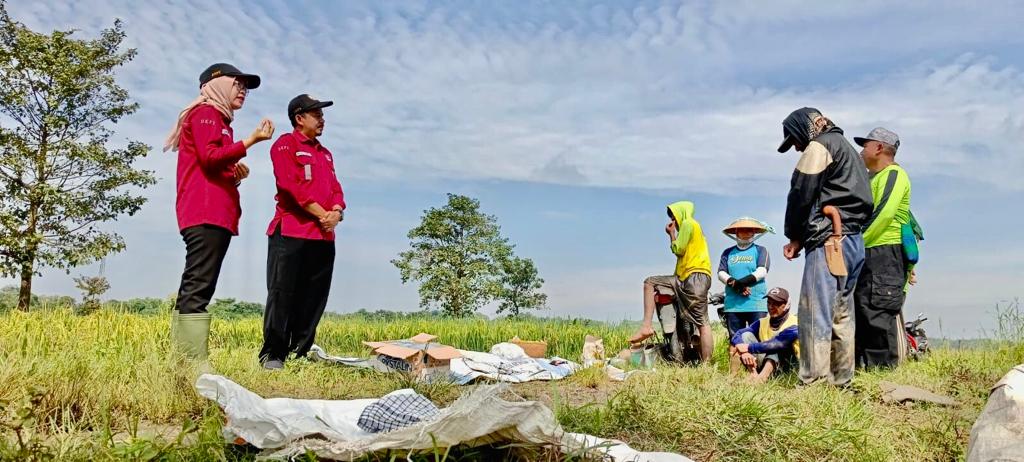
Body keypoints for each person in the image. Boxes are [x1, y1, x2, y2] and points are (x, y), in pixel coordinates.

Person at [163, 63, 274, 362]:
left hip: (214, 213)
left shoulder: (220, 120)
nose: (243, 92)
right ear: (218, 84)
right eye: (238, 84)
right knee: (198, 284)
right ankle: (190, 360)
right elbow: (210, 157)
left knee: (200, 283)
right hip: (204, 211)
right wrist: (250, 142)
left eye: (246, 88)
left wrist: (234, 172)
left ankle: (185, 358)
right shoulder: (206, 114)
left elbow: (211, 163)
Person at [777, 107, 873, 387]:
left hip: (828, 238)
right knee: (842, 312)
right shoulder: (852, 154)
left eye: (795, 140)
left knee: (814, 310)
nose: (796, 148)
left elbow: (800, 193)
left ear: (805, 129)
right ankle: (842, 380)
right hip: (853, 240)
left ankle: (813, 381)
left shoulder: (820, 146)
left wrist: (794, 235)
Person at [259, 94, 345, 370]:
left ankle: (300, 352)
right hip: (292, 232)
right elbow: (290, 186)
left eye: (322, 114)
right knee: (283, 293)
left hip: (323, 237)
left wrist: (337, 212)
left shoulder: (325, 153)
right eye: (316, 114)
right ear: (299, 118)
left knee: (314, 296)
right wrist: (323, 215)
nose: (322, 119)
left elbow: (336, 189)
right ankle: (273, 354)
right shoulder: (286, 145)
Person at [853, 127, 912, 368]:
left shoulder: (894, 175)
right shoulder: (872, 178)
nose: (861, 150)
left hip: (884, 251)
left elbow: (882, 215)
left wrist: (853, 247)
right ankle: (869, 370)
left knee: (877, 311)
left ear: (878, 147)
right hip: (870, 251)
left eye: (865, 145)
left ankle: (884, 373)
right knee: (864, 309)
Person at [629, 201, 714, 362]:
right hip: (685, 278)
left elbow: (678, 249)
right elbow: (683, 259)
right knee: (650, 282)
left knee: (703, 323)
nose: (673, 220)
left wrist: (671, 234)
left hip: (694, 277)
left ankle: (707, 364)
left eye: (674, 216)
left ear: (681, 213)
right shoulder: (695, 230)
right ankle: (646, 326)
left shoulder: (689, 224)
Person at [717, 218, 773, 338]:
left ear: (754, 232)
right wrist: (736, 285)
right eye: (743, 230)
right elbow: (721, 273)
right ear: (736, 232)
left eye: (750, 230)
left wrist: (740, 284)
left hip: (756, 303)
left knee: (759, 339)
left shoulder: (761, 250)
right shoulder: (727, 252)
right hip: (733, 305)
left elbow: (762, 271)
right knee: (736, 340)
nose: (746, 233)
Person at [729, 287, 799, 383]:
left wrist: (748, 347)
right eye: (769, 303)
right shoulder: (762, 322)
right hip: (767, 364)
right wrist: (745, 351)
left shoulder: (795, 323)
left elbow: (778, 343)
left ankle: (760, 380)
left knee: (776, 346)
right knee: (745, 335)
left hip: (789, 367)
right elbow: (738, 334)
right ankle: (750, 374)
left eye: (776, 303)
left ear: (787, 305)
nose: (771, 306)